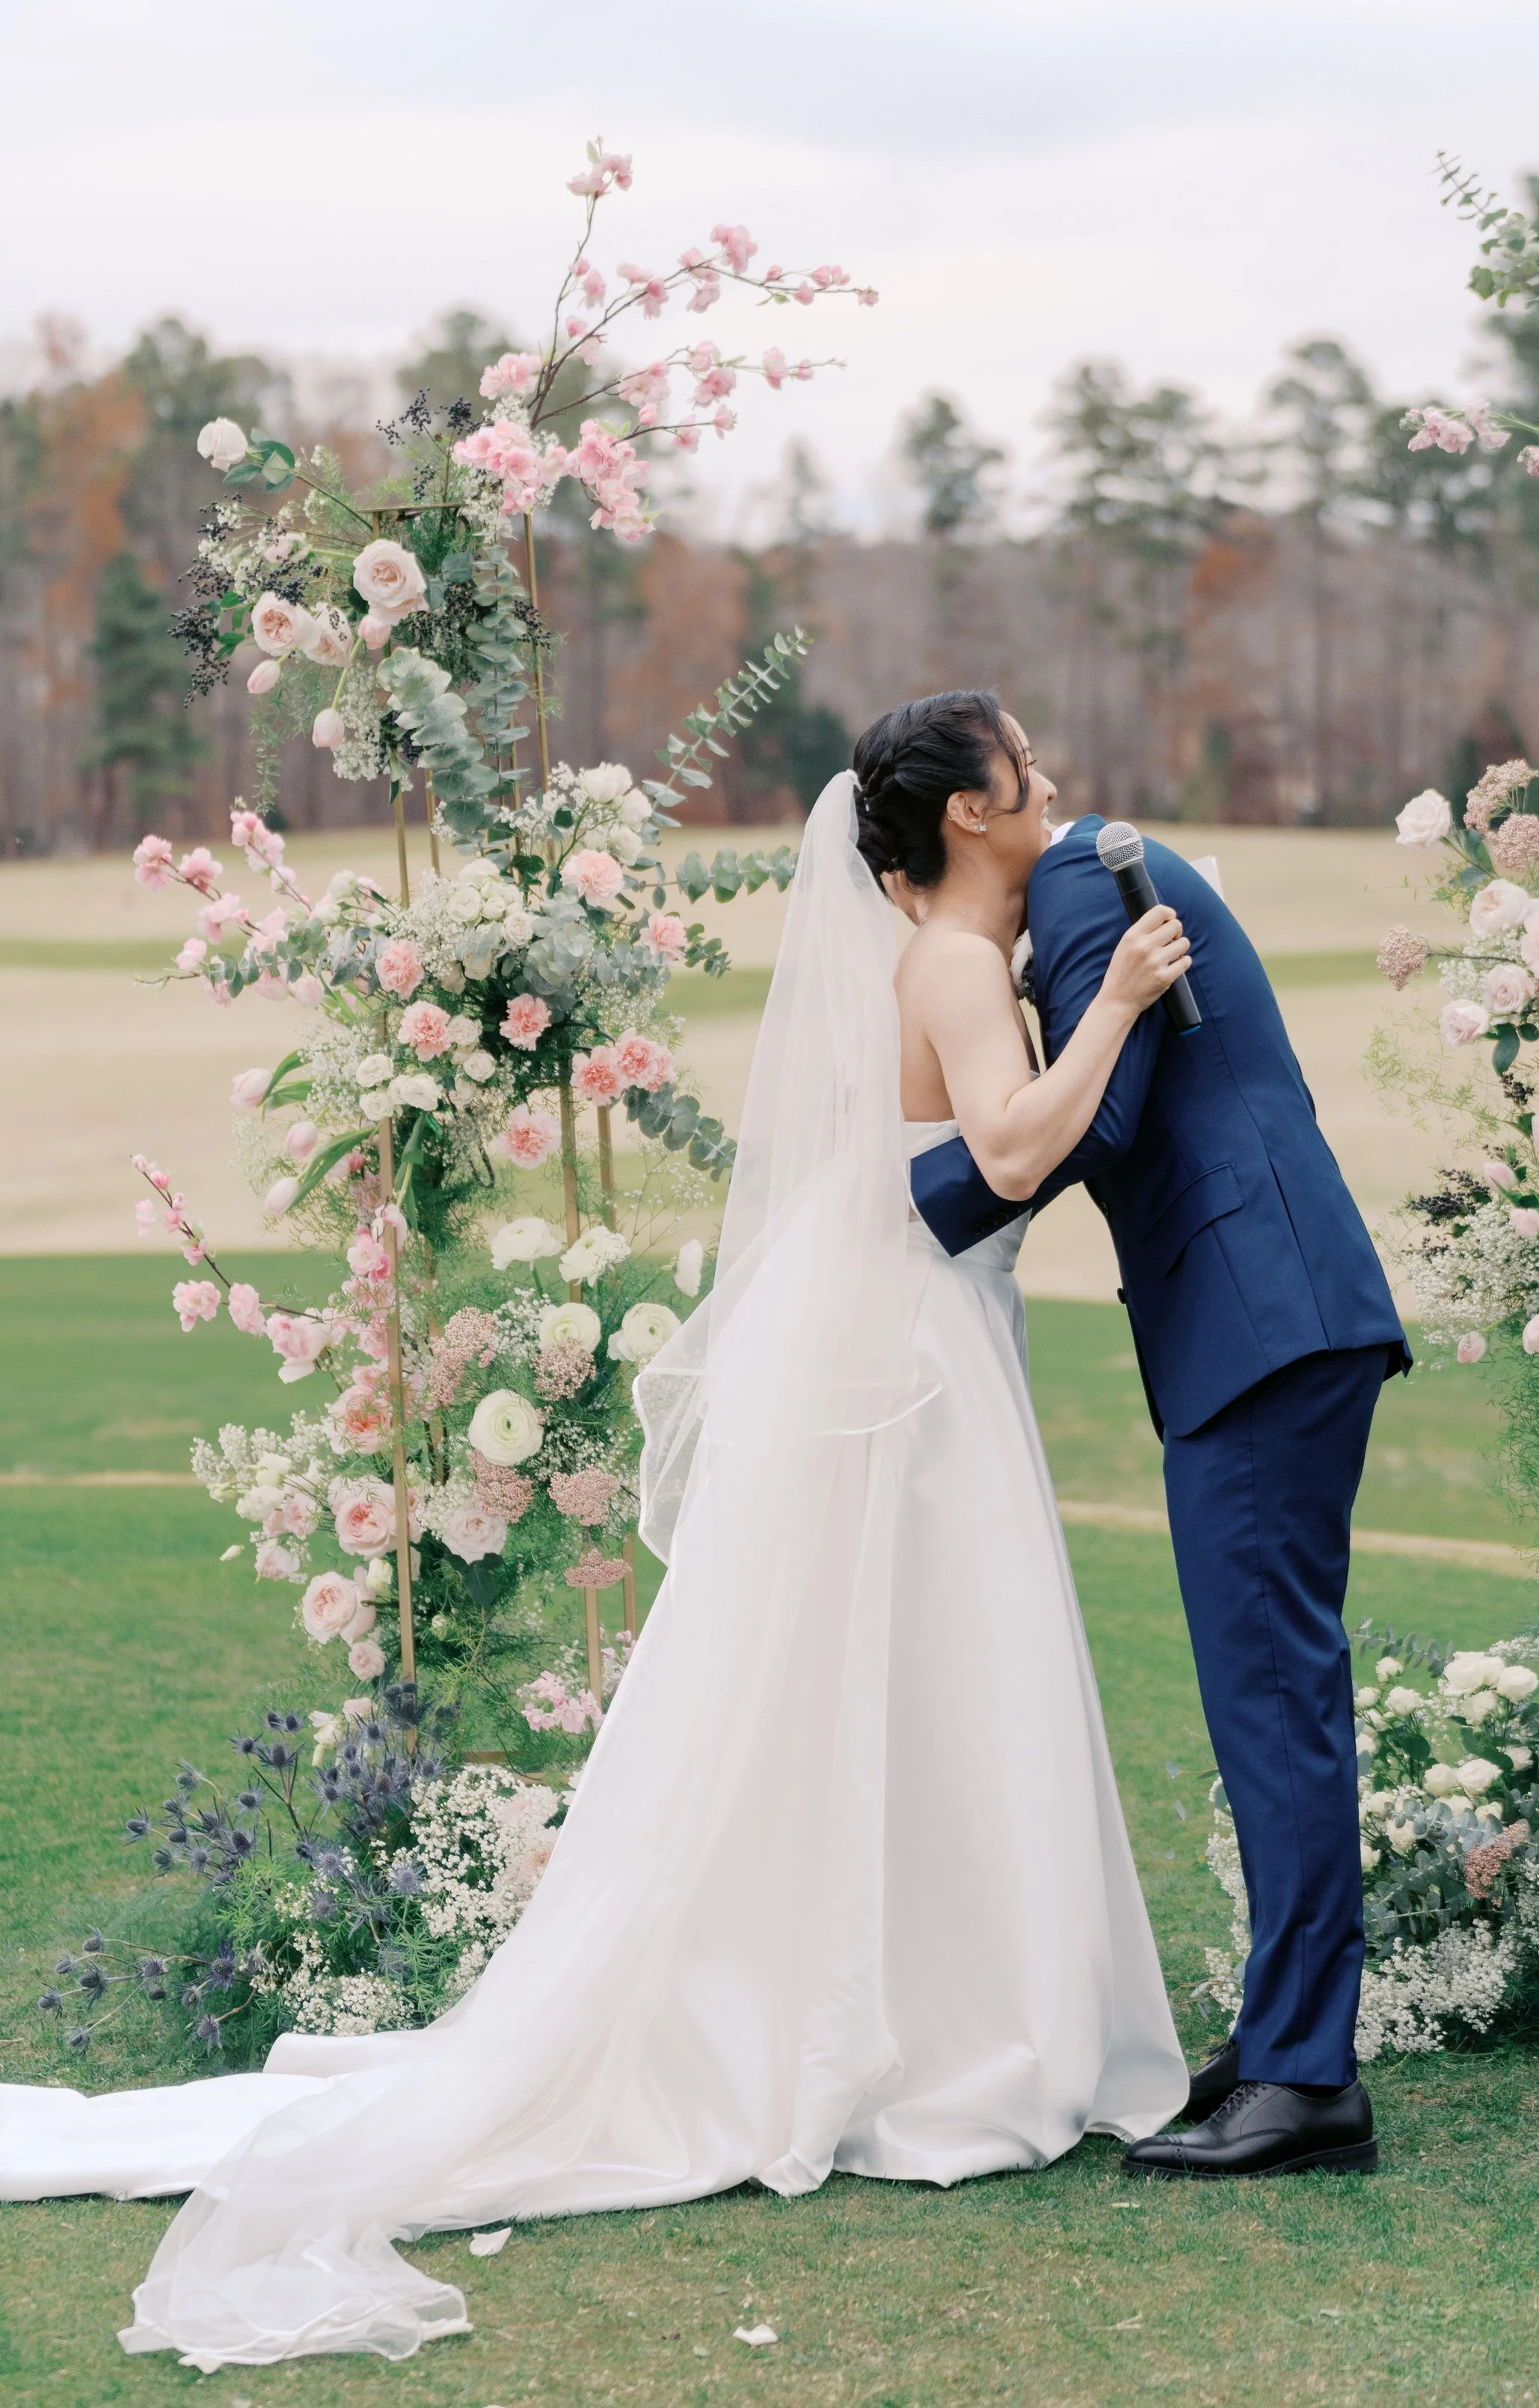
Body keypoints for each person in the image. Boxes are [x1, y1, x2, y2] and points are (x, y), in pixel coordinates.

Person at [0, 716, 1191, 2371]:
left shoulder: (937, 954)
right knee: (928, 1667)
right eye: (1022, 765)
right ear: (970, 810)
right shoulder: (948, 964)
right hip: (911, 1357)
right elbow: (1002, 1149)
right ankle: (944, 2038)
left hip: (903, 1334)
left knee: (898, 1673)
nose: (1051, 779)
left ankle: (918, 2007)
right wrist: (1122, 1007)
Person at [910, 730, 1407, 2182]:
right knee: (1273, 1700)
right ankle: (1279, 2044)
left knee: (1274, 1708)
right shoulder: (1086, 878)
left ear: (954, 820)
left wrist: (902, 1196)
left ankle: (1308, 2081)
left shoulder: (1075, 886)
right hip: (1268, 1321)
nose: (1045, 775)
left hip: (1260, 1328)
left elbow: (1098, 1115)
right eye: (1022, 757)